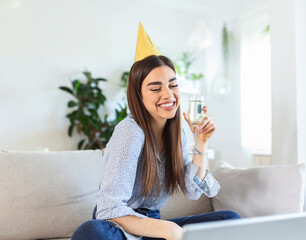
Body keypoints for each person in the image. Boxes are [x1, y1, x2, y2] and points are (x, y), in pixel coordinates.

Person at [72, 22, 240, 240]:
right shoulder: (130, 132)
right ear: (139, 95)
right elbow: (108, 209)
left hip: (151, 227)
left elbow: (193, 189)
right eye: (155, 88)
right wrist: (166, 229)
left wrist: (201, 143)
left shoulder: (176, 132)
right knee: (90, 232)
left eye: (173, 85)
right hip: (121, 228)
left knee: (229, 220)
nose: (168, 94)